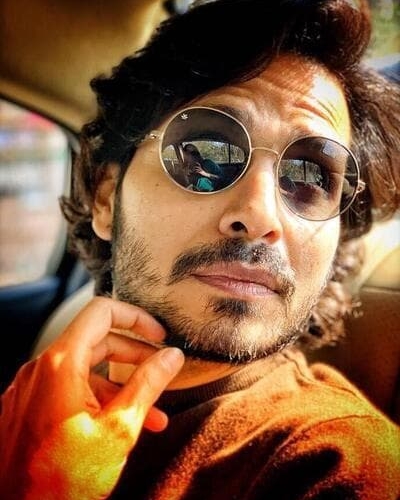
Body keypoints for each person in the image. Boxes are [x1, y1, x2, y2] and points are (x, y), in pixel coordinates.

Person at [1, 0, 400, 499]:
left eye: (310, 178)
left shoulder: (337, 465)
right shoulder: (40, 391)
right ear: (106, 197)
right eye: (206, 155)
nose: (259, 215)